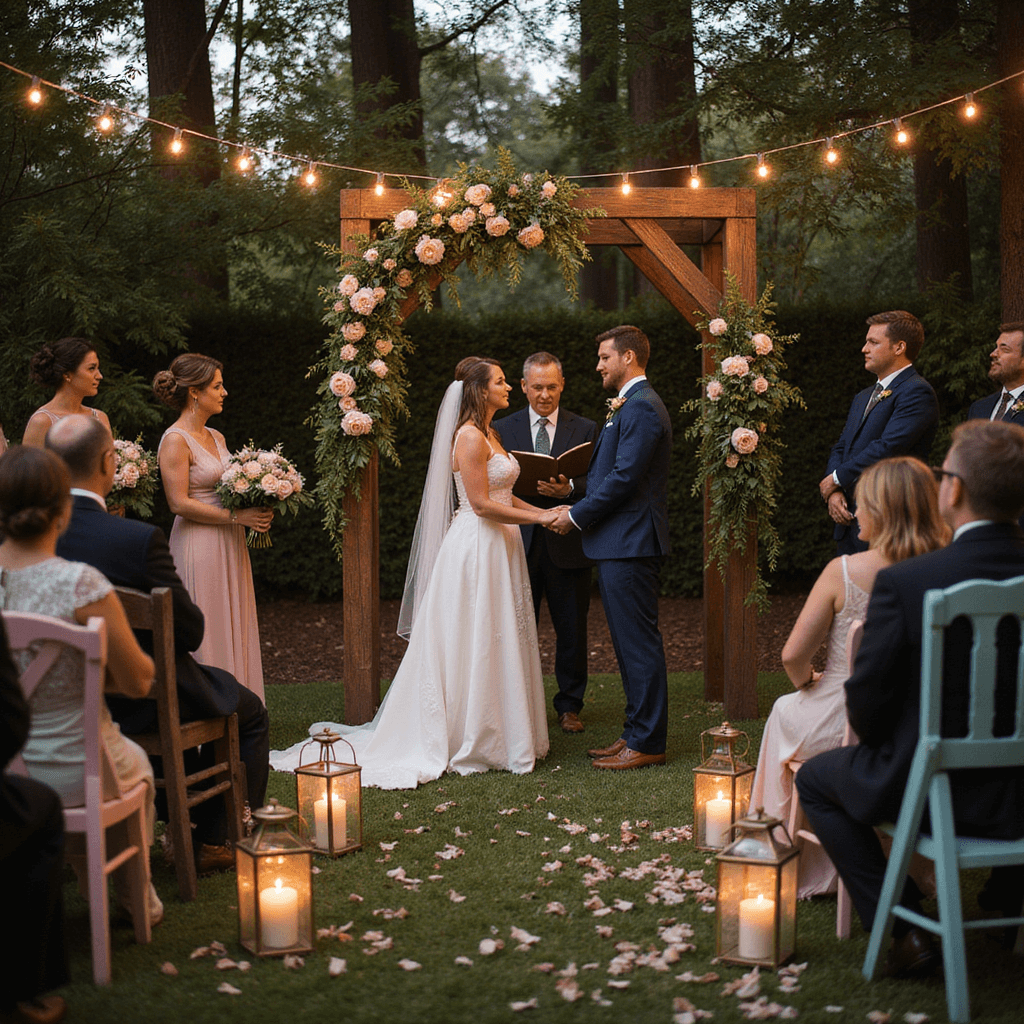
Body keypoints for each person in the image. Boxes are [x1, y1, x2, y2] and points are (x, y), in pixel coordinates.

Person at [797, 419, 1024, 977]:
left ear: (954, 490)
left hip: (933, 794)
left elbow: (867, 709)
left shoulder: (910, 582)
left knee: (816, 780)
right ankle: (1009, 905)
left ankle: (905, 931)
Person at [270, 358, 557, 789]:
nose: (508, 388)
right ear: (479, 391)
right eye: (500, 382)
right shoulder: (467, 436)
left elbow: (508, 496)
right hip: (478, 547)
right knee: (476, 636)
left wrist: (549, 512)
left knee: (502, 632)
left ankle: (509, 730)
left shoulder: (492, 434)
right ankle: (472, 735)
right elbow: (480, 504)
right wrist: (540, 522)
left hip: (503, 546)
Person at [46, 415, 270, 874]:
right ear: (109, 463)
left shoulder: (27, 542)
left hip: (56, 703)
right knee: (246, 711)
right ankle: (215, 838)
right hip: (139, 700)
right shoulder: (135, 539)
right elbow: (188, 633)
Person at [750, 457, 949, 898]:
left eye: (864, 504)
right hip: (922, 717)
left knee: (784, 710)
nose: (856, 512)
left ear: (885, 510)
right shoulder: (946, 570)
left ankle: (780, 853)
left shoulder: (843, 571)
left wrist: (805, 681)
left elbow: (792, 656)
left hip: (847, 715)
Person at [0, 445, 163, 928]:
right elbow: (137, 682)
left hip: (7, 773)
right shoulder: (81, 585)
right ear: (63, 510)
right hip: (82, 766)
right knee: (135, 769)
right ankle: (136, 898)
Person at [551, 325, 672, 771]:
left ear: (628, 358)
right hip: (620, 543)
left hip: (632, 543)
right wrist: (574, 490)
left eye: (604, 357)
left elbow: (625, 479)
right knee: (627, 644)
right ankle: (633, 733)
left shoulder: (640, 408)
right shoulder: (629, 406)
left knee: (638, 644)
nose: (598, 365)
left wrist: (576, 514)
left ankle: (648, 741)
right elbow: (610, 474)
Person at [153, 355, 271, 702]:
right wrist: (240, 518)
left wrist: (258, 500)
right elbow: (178, 503)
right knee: (210, 623)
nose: (225, 393)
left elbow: (230, 486)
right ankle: (210, 711)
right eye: (217, 386)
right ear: (194, 392)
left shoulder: (216, 436)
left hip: (230, 541)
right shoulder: (175, 440)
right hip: (199, 544)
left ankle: (242, 710)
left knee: (235, 619)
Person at [494, 352, 597, 735]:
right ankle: (518, 702)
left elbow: (600, 482)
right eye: (537, 387)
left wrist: (569, 488)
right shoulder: (502, 427)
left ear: (562, 385)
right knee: (518, 627)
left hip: (567, 540)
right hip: (516, 540)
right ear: (523, 387)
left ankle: (569, 706)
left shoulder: (585, 428)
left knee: (572, 628)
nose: (544, 395)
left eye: (552, 386)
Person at [820, 311, 939, 555]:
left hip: (889, 518)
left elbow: (888, 448)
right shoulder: (863, 396)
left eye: (873, 342)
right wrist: (834, 491)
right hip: (849, 518)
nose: (864, 348)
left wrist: (835, 478)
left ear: (899, 347)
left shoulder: (916, 392)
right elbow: (842, 446)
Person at [0, 616, 69, 1024]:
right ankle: (18, 995)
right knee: (37, 808)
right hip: (79, 766)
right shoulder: (86, 586)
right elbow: (9, 724)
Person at [22, 338, 112, 448]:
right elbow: (28, 465)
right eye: (91, 368)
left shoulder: (100, 418)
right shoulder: (42, 422)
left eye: (97, 368)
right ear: (67, 375)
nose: (99, 376)